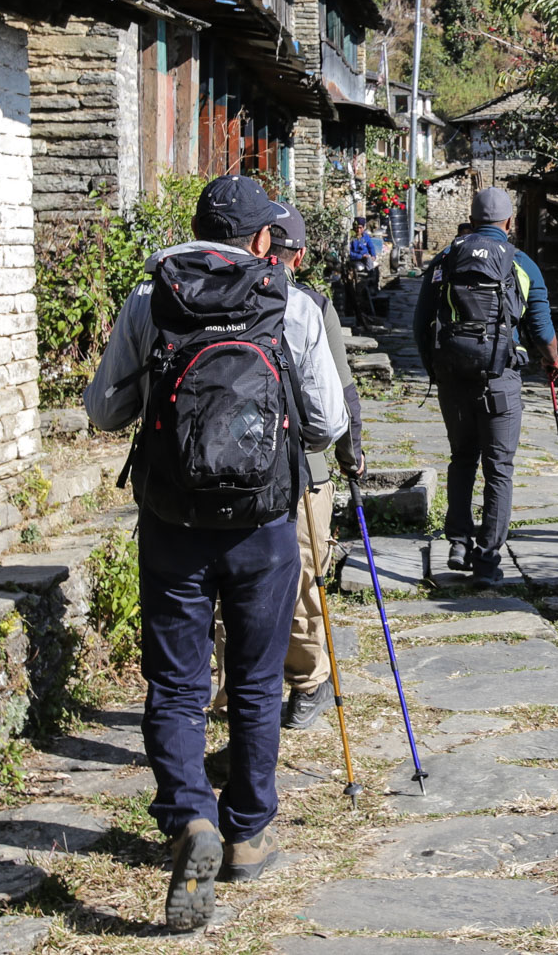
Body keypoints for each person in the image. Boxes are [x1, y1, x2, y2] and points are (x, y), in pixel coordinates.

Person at [84, 176, 348, 933]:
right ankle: (247, 835)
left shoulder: (149, 299)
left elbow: (105, 411)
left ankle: (188, 818)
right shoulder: (290, 305)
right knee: (259, 682)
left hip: (171, 522)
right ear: (264, 240)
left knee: (174, 684)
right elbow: (327, 421)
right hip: (263, 527)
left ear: (195, 227)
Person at [210, 212, 364, 732]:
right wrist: (350, 454)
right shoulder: (306, 304)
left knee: (264, 584)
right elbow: (342, 396)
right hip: (286, 470)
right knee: (281, 582)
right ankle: (273, 689)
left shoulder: (219, 298)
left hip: (259, 471)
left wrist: (345, 452)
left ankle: (282, 686)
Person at [413, 186, 558, 581]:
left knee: (462, 459)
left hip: (453, 377)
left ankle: (459, 544)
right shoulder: (521, 264)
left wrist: (436, 368)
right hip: (500, 379)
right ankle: (487, 560)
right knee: (499, 468)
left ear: (472, 217)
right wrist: (554, 360)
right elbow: (542, 331)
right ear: (509, 223)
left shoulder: (446, 259)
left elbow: (420, 321)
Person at [347, 216, 385, 328]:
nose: (358, 230)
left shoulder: (366, 237)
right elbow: (350, 253)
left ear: (363, 228)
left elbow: (371, 247)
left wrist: (373, 256)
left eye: (360, 228)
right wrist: (361, 255)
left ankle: (373, 282)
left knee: (373, 264)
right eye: (356, 228)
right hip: (357, 261)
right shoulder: (352, 239)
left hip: (366, 260)